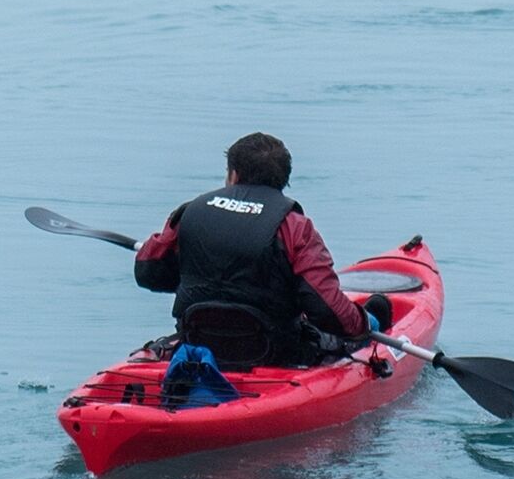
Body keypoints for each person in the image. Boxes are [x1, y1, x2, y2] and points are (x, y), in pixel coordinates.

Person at [133, 134, 388, 366]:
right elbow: (329, 312)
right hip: (274, 352)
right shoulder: (295, 228)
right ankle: (375, 318)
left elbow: (148, 271)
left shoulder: (190, 212)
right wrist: (364, 325)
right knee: (372, 317)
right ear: (283, 180)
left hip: (199, 341)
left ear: (233, 175)